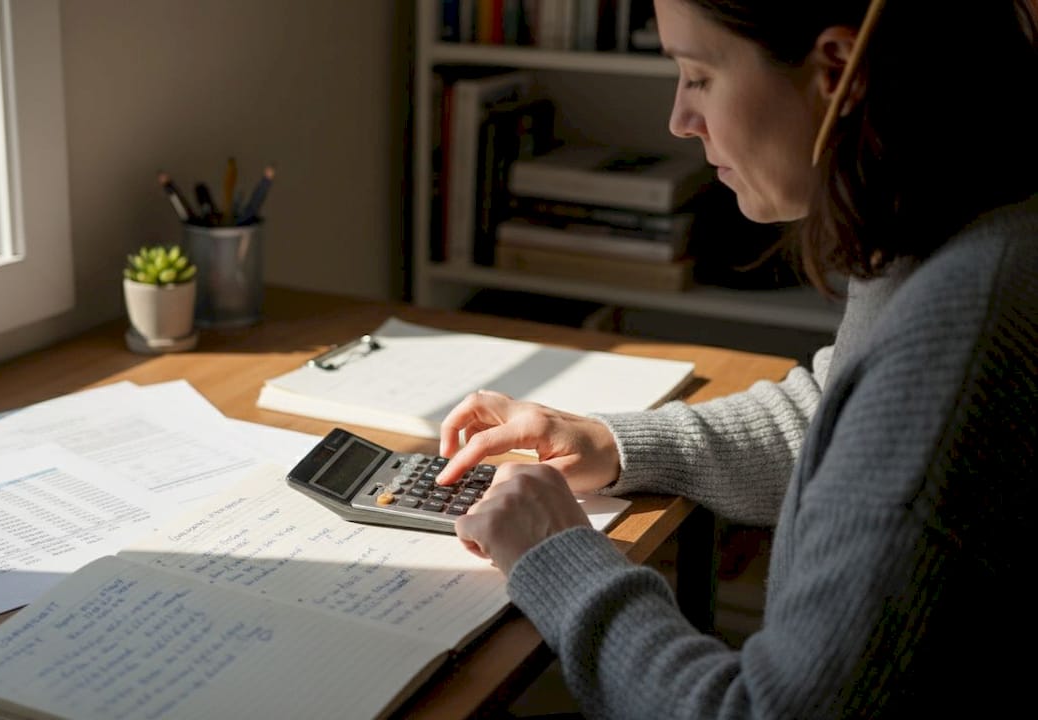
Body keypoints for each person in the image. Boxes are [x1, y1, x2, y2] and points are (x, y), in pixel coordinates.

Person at [434, 0, 1038, 716]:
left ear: (838, 70)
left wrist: (555, 554)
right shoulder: (960, 218)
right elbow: (841, 408)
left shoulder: (957, 337)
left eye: (697, 75)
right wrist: (616, 444)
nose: (680, 120)